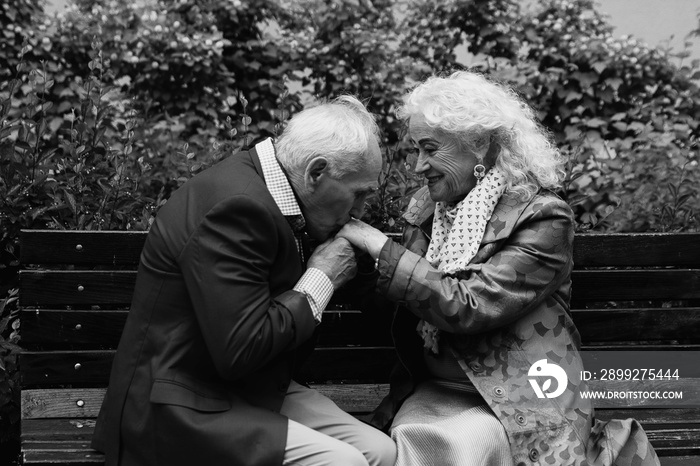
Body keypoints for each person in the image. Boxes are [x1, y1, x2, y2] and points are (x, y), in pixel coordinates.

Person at [337, 71, 660, 466]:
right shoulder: (426, 209)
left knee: (457, 443)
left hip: (517, 397)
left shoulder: (543, 217)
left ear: (478, 144)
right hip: (436, 390)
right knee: (414, 435)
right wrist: (347, 267)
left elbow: (472, 304)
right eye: (415, 149)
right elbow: (405, 305)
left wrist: (377, 245)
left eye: (430, 148)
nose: (418, 165)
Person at [91, 95, 397, 466]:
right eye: (358, 193)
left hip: (248, 389)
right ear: (316, 172)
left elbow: (373, 296)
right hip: (179, 403)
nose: (362, 209)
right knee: (343, 462)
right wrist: (323, 277)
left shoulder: (291, 192)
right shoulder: (236, 207)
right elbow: (241, 349)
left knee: (381, 451)